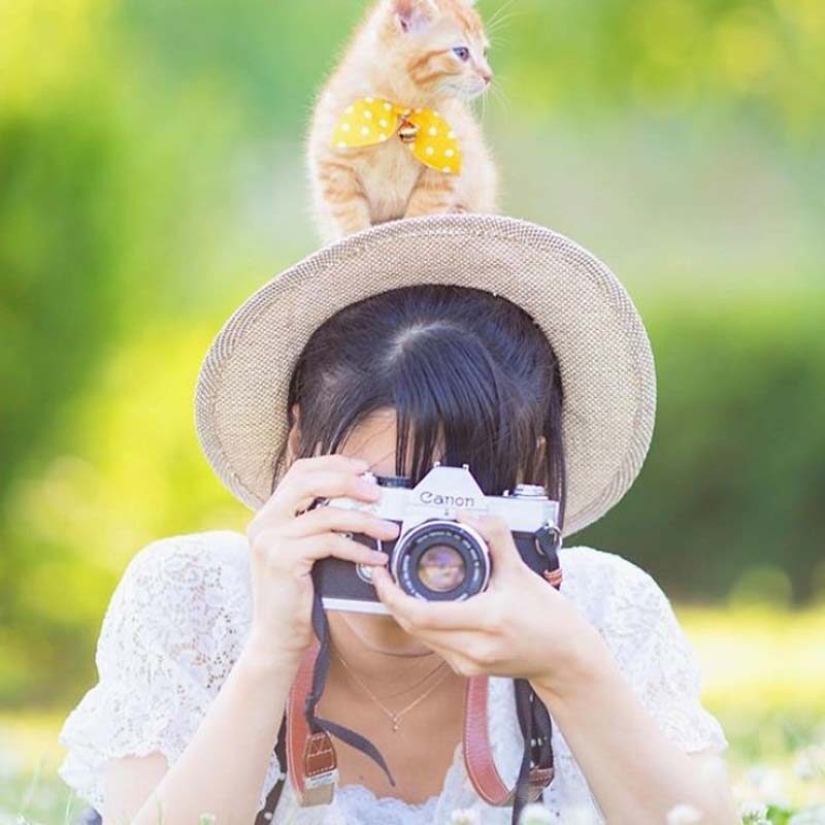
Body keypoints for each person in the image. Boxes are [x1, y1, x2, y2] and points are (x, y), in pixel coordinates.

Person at [57, 215, 739, 825]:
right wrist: (271, 651)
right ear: (300, 449)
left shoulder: (601, 609)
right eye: (384, 494)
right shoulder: (195, 597)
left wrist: (570, 668)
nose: (421, 544)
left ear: (529, 481)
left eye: (459, 506)